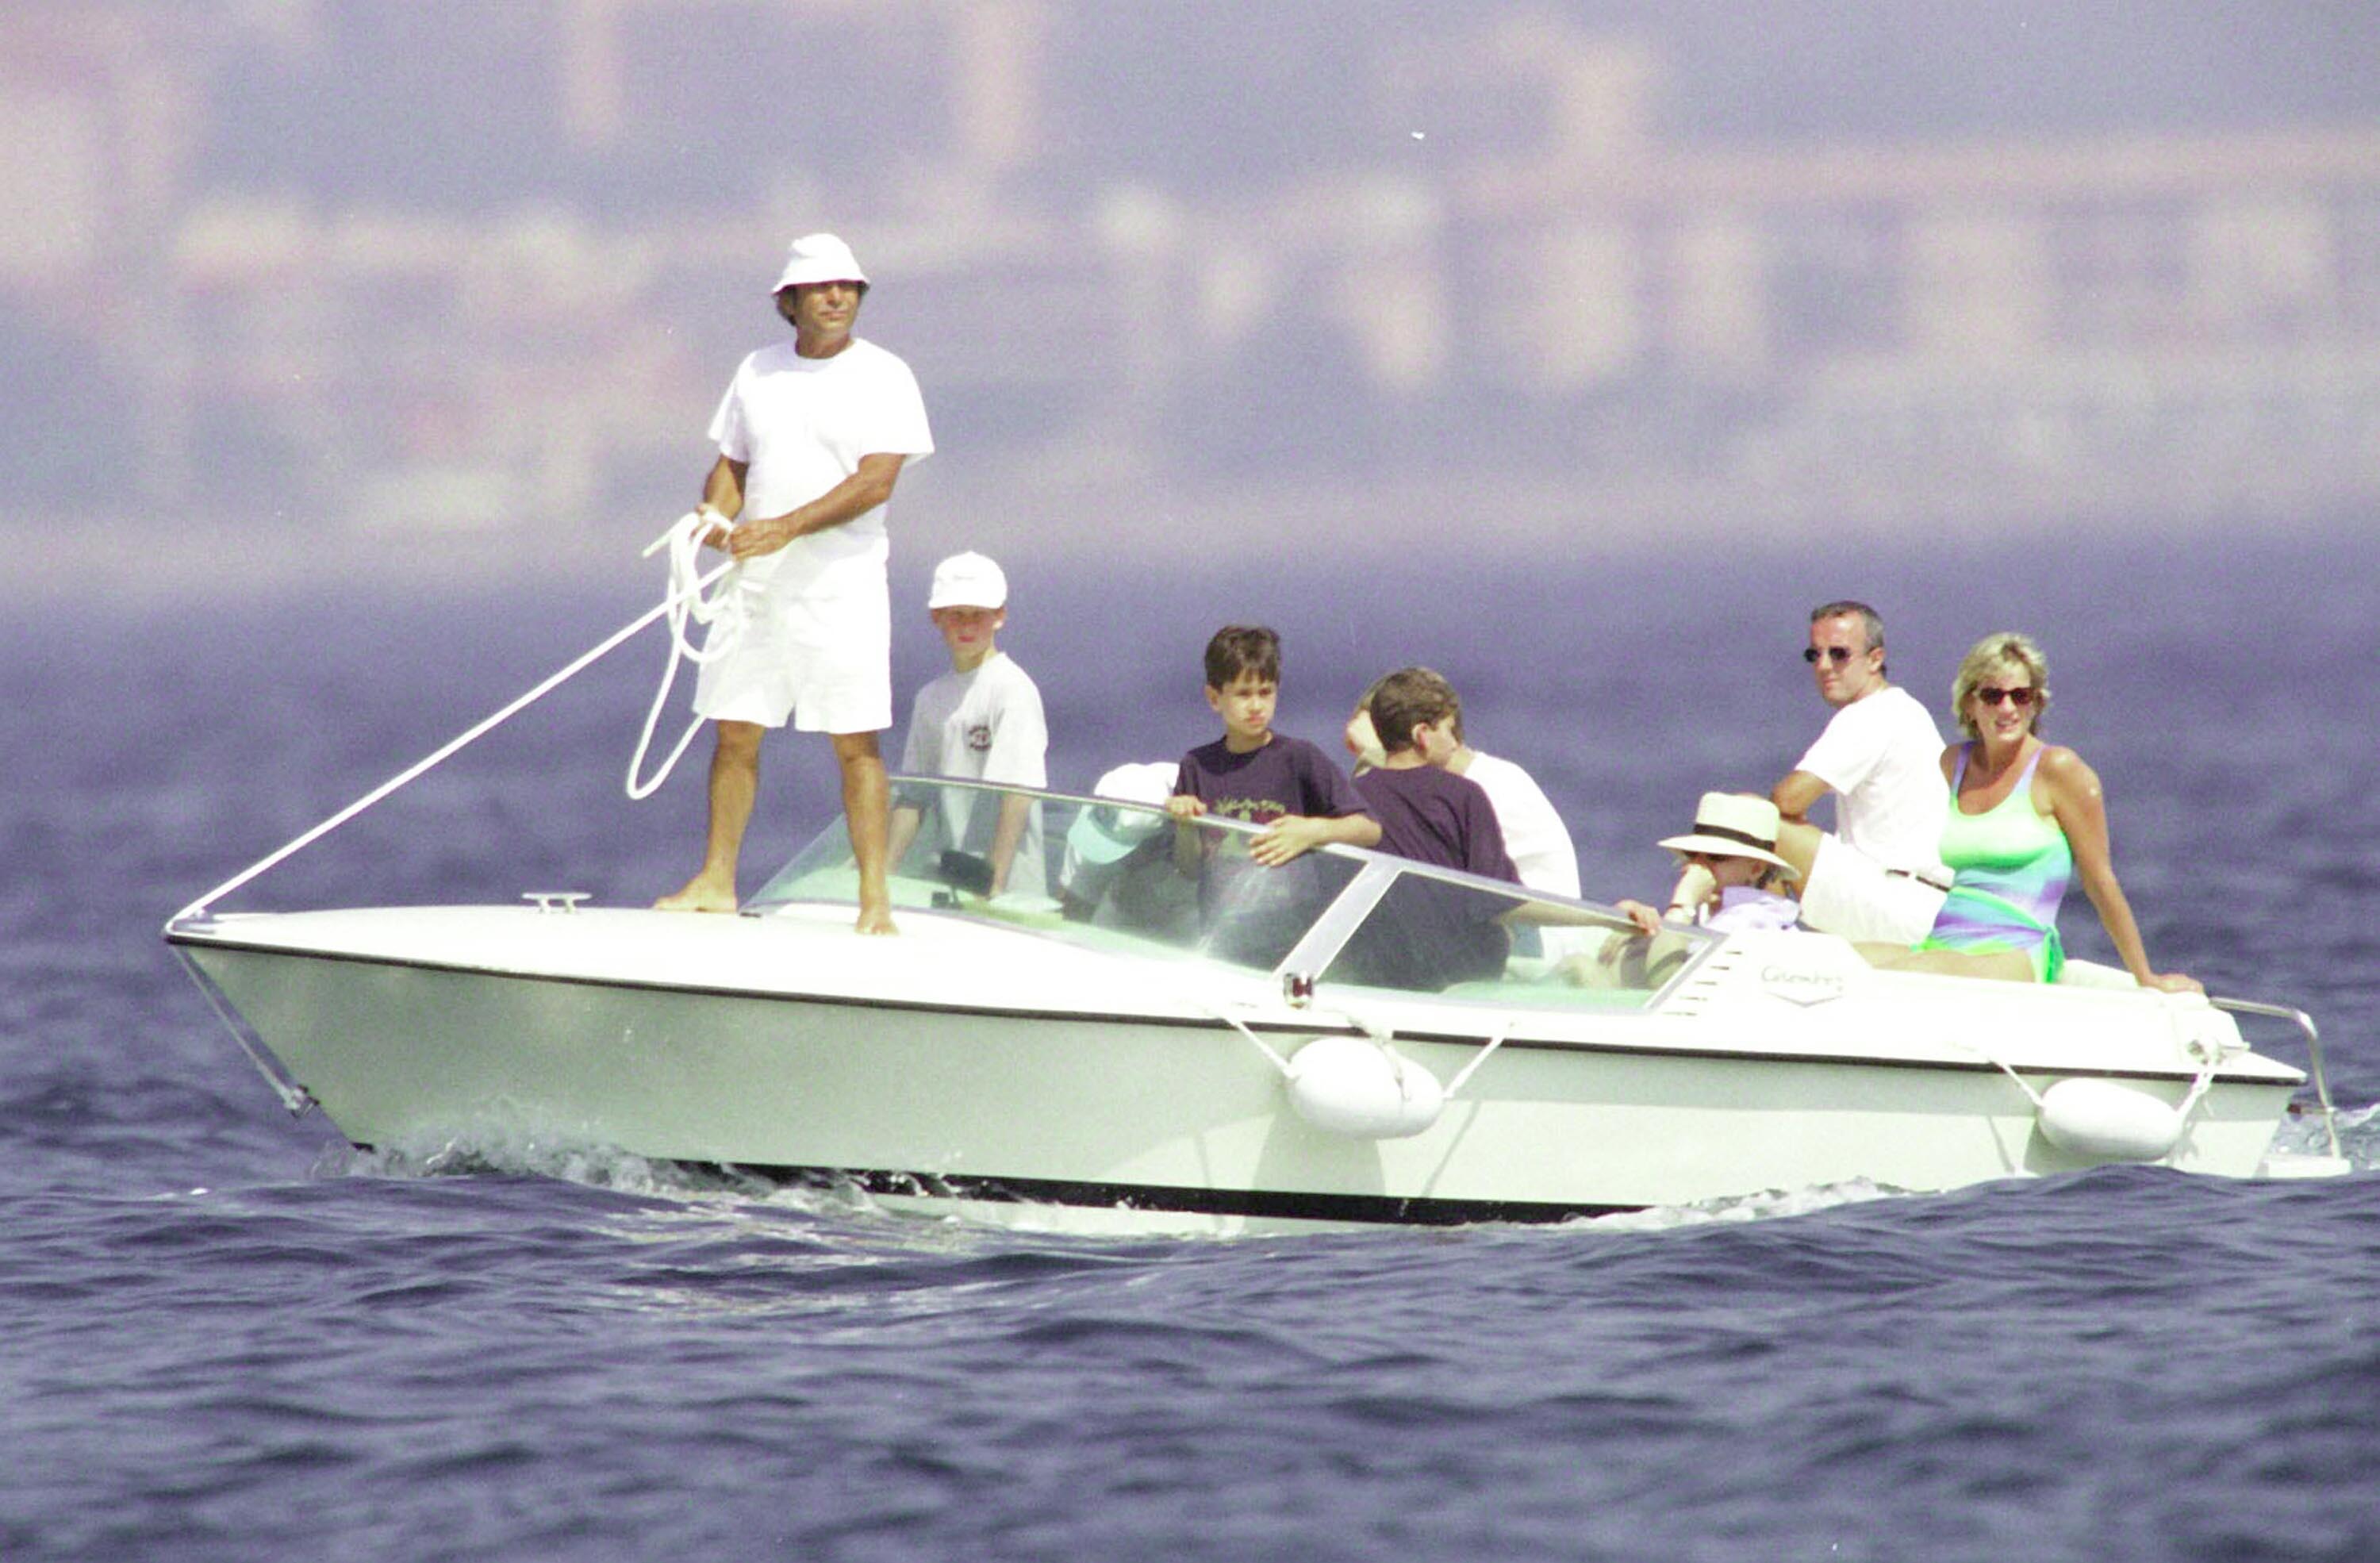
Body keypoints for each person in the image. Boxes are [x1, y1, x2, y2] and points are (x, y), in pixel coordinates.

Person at [655, 232, 933, 932]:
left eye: (849, 287)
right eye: (822, 287)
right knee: (736, 729)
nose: (838, 297)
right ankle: (718, 880)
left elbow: (875, 482)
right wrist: (713, 521)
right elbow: (732, 466)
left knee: (854, 739)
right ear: (791, 301)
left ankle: (875, 901)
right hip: (755, 583)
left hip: (842, 583)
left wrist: (782, 527)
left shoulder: (886, 375)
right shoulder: (757, 371)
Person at [1867, 633, 2201, 992]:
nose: (2007, 708)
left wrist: (2145, 976)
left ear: (2035, 704)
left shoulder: (2059, 770)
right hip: (1943, 941)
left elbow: (2100, 880)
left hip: (2016, 952)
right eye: (1993, 696)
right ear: (1970, 704)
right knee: (1827, 955)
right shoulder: (1954, 764)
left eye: (2020, 696)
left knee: (1912, 974)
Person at [1169, 625, 1379, 964]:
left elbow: (1369, 828)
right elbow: (1189, 869)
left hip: (1295, 935)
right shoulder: (1197, 765)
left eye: (1265, 692)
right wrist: (1183, 823)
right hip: (1224, 933)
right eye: (1242, 693)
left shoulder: (1300, 757)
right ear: (1214, 698)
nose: (1256, 705)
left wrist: (1314, 831)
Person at [1768, 600, 1952, 945]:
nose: (1824, 666)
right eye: (1815, 655)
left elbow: (1786, 799)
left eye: (1839, 654)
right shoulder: (1905, 709)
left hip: (1896, 902)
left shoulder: (1870, 715)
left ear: (1875, 659)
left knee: (1752, 819)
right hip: (1929, 905)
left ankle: (1765, 940)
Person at [1342, 668, 1522, 989]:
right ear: (1422, 734)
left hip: (1376, 976)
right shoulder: (1465, 796)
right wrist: (1609, 920)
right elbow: (1501, 901)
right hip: (1458, 981)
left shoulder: (1350, 798)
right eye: (1450, 730)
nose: (1456, 742)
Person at [885, 551, 1049, 900]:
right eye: (956, 615)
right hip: (945, 880)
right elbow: (914, 797)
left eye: (979, 615)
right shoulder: (930, 698)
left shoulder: (1013, 689)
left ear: (1000, 617)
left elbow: (1017, 793)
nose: (968, 626)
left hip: (1006, 893)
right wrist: (882, 875)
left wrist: (993, 883)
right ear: (937, 617)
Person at [1343, 685, 1580, 898]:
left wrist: (1373, 757)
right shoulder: (1465, 787)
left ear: (1418, 736)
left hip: (1527, 935)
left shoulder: (1487, 786)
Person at [1614, 793, 1802, 936]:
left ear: (1756, 869)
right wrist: (1623, 924)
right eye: (1693, 855)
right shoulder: (1721, 914)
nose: (1698, 866)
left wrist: (1683, 905)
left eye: (1716, 856)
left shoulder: (1749, 919)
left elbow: (1667, 972)